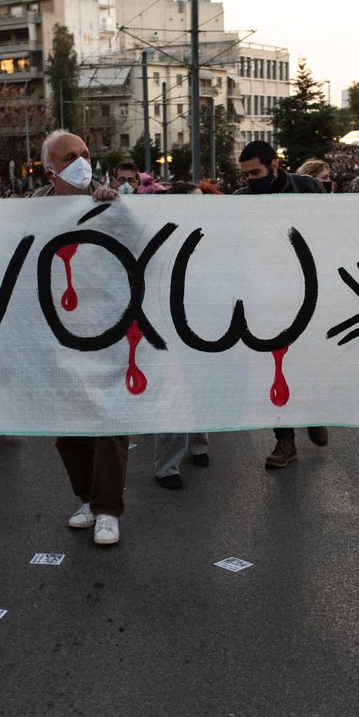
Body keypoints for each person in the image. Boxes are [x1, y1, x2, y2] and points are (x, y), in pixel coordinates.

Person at [31, 130, 124, 545]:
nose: (81, 162)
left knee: (110, 423)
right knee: (69, 426)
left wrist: (116, 210)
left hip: (107, 331)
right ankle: (87, 499)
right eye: (69, 157)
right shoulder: (30, 210)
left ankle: (107, 509)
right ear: (49, 170)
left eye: (85, 153)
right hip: (57, 335)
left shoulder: (109, 204)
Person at [233, 140, 328, 468]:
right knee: (274, 367)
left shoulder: (308, 188)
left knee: (307, 360)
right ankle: (285, 440)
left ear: (274, 165)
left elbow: (332, 229)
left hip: (308, 289)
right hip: (266, 296)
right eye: (245, 175)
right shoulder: (240, 200)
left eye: (255, 172)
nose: (250, 180)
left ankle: (313, 412)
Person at [152, 180, 211, 487]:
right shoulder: (163, 237)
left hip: (203, 322)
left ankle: (199, 443)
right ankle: (167, 467)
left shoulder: (210, 233)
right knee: (175, 394)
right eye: (195, 201)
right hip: (171, 324)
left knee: (200, 386)